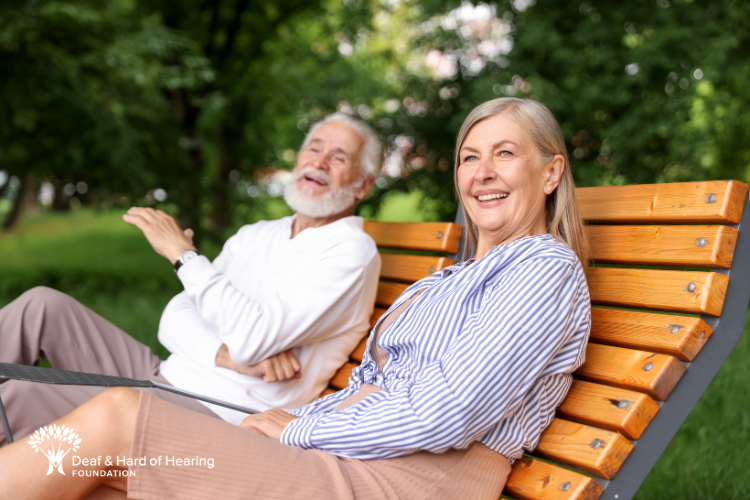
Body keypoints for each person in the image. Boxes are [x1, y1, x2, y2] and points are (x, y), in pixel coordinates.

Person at [0, 98, 591, 500]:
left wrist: (293, 429)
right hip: (352, 454)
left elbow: (443, 414)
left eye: (505, 154)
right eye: (469, 157)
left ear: (550, 173)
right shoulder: (451, 280)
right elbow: (381, 397)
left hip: (406, 481)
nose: (482, 172)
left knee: (116, 422)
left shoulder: (542, 270)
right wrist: (296, 423)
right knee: (83, 464)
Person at [0, 112, 383, 445]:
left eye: (339, 156)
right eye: (314, 148)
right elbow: (174, 316)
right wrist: (225, 355)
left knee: (21, 395)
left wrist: (184, 257)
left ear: (362, 185)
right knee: (41, 306)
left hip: (215, 413)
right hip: (161, 375)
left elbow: (251, 340)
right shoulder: (258, 234)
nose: (320, 162)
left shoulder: (352, 253)